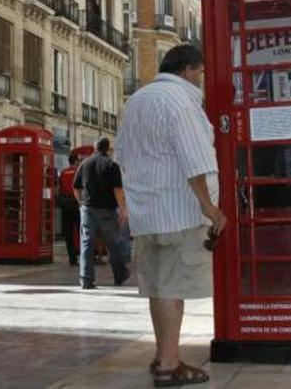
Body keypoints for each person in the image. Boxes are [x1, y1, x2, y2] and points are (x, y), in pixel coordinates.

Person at [116, 44, 226, 387]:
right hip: (179, 212)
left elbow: (123, 155)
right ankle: (168, 363)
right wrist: (210, 207)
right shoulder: (182, 102)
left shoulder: (136, 101)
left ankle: (163, 354)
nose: (202, 81)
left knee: (158, 288)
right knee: (172, 290)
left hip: (147, 214)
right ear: (190, 70)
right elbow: (195, 160)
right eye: (202, 73)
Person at [73, 137, 130, 289]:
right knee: (113, 244)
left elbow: (76, 187)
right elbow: (117, 189)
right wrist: (123, 209)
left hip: (87, 209)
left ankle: (86, 279)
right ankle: (120, 274)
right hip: (106, 211)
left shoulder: (84, 164)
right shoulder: (112, 165)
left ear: (95, 148)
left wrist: (81, 203)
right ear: (108, 149)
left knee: (86, 244)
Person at [57, 154, 81, 266]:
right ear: (75, 161)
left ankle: (72, 259)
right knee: (82, 231)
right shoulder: (79, 171)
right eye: (79, 160)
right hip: (77, 203)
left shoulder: (63, 172)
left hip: (65, 204)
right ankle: (85, 255)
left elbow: (58, 188)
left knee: (68, 232)